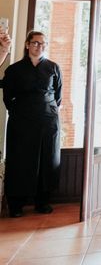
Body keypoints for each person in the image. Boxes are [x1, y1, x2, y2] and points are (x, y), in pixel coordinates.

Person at [2, 31, 62, 218]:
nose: (39, 46)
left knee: (47, 159)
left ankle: (42, 202)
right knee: (20, 160)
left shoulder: (53, 67)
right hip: (22, 123)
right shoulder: (14, 69)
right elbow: (7, 97)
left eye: (43, 43)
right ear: (27, 44)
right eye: (35, 43)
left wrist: (48, 111)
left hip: (48, 122)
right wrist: (20, 112)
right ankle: (16, 205)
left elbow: (58, 96)